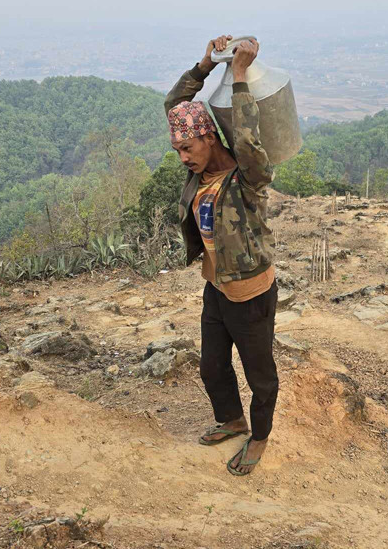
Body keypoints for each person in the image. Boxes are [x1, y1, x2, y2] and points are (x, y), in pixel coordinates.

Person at [164, 34, 277, 476]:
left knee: (260, 375)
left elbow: (251, 144)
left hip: (250, 292)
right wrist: (206, 63)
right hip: (217, 286)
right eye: (177, 149)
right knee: (212, 367)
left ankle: (260, 438)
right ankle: (231, 418)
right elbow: (176, 102)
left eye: (187, 148)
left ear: (209, 138)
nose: (181, 157)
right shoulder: (198, 167)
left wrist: (242, 77)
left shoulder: (246, 180)